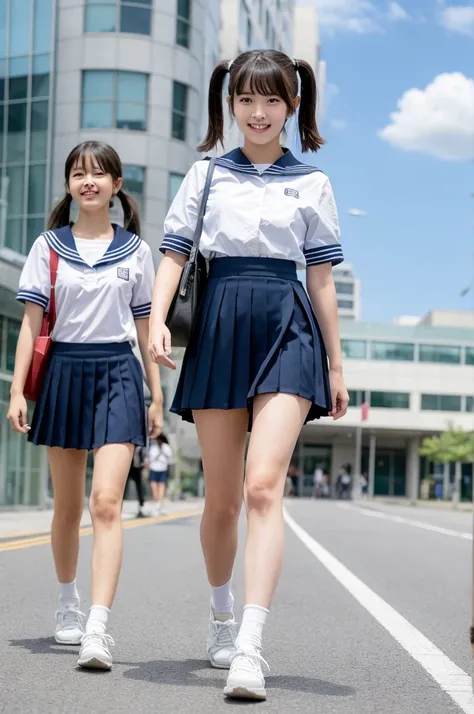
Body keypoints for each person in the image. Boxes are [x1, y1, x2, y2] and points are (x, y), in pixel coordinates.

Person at [149, 50, 349, 701]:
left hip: (288, 327)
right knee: (224, 500)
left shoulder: (313, 182)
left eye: (271, 101)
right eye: (246, 100)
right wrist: (154, 322)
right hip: (221, 325)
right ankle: (222, 615)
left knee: (265, 488)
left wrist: (336, 363)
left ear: (292, 107)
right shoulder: (205, 176)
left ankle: (251, 647)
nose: (258, 113)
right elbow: (175, 251)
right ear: (230, 105)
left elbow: (321, 279)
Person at [6, 141, 163, 672]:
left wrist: (155, 394)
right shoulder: (47, 246)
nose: (88, 181)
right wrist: (15, 392)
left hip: (118, 374)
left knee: (105, 503)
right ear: (69, 185)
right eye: (78, 173)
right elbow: (31, 325)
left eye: (99, 174)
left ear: (118, 186)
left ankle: (97, 626)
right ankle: (68, 602)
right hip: (63, 375)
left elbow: (145, 330)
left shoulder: (138, 253)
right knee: (68, 507)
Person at [146, 433, 173, 515]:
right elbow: (170, 458)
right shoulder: (166, 447)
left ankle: (157, 505)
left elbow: (147, 460)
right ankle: (159, 505)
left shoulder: (152, 447)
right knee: (160, 488)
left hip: (154, 469)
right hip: (162, 468)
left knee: (155, 488)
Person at [126, 445, 148, 517]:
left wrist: (144, 469)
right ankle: (119, 505)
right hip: (128, 467)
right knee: (123, 487)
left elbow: (145, 458)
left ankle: (141, 506)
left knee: (139, 487)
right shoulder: (127, 445)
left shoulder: (141, 447)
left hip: (138, 468)